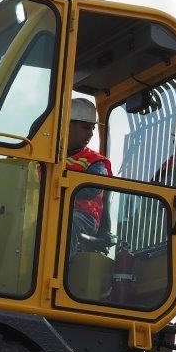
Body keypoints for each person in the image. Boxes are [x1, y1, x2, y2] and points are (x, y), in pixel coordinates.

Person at [65, 98, 112, 253]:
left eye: (92, 128)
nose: (91, 133)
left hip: (83, 216)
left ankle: (59, 271)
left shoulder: (96, 162)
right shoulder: (48, 156)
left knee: (66, 222)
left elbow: (90, 190)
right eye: (86, 127)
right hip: (49, 209)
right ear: (68, 125)